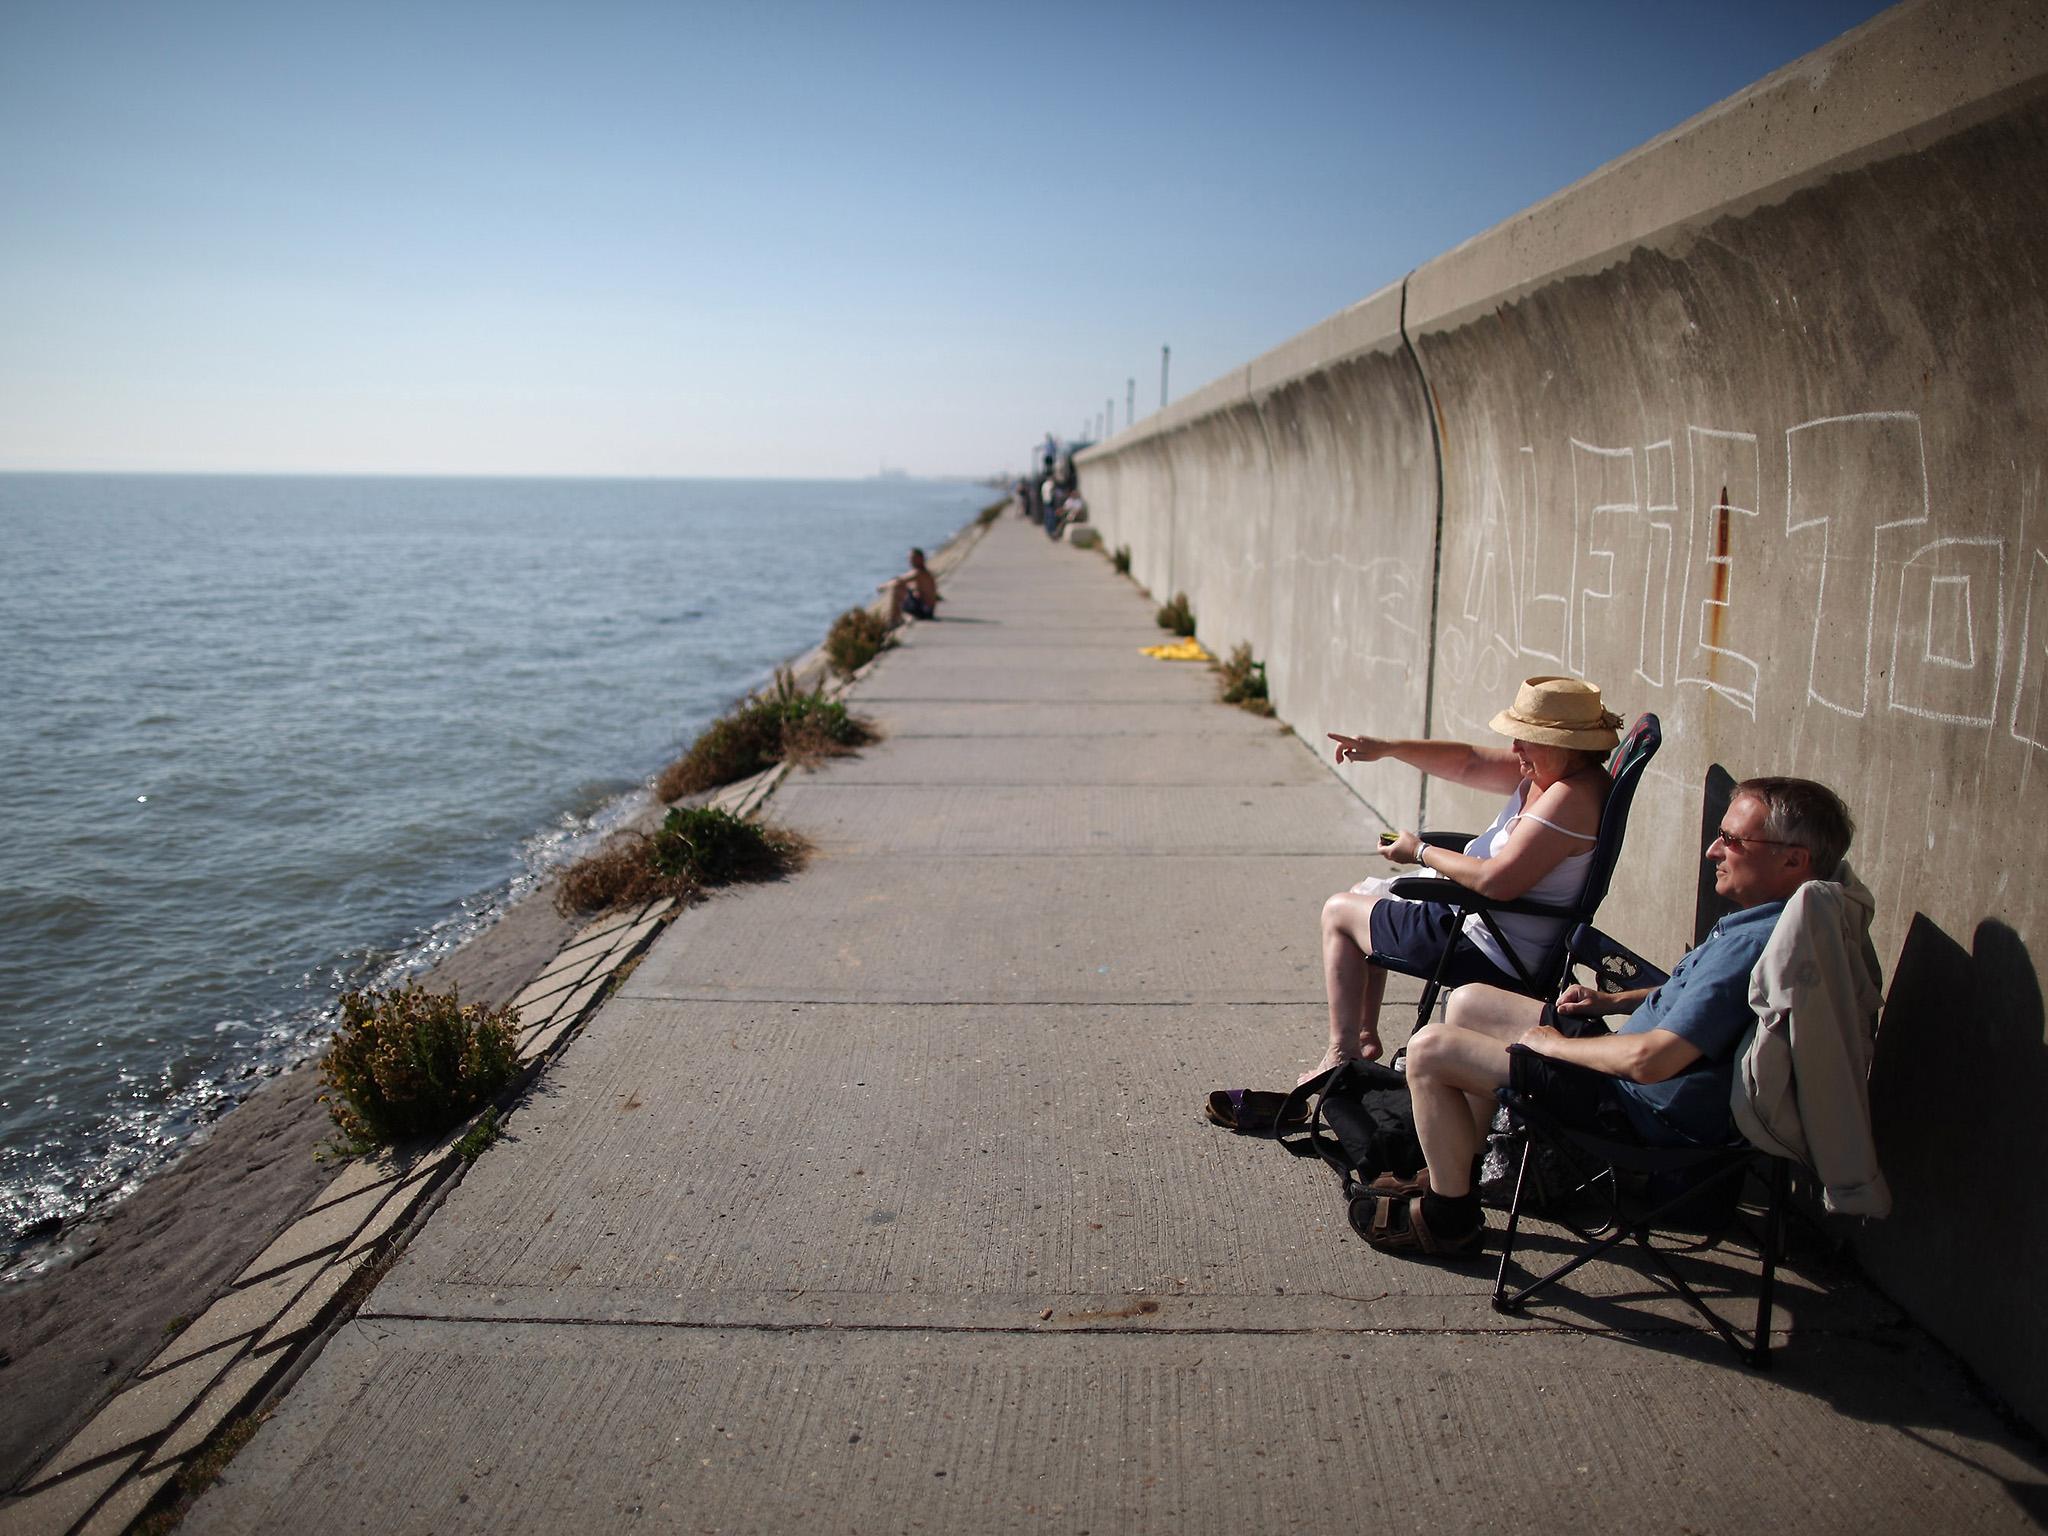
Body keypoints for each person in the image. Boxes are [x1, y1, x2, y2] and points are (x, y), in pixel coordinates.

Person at [1361, 776, 1856, 1258]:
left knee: (1430, 1050)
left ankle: (1450, 1219)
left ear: (1794, 859)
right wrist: (1614, 1002)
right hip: (1631, 1080)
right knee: (1470, 1000)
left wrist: (1553, 1045)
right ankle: (1456, 1170)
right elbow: (1710, 1002)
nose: (1712, 851)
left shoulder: (1750, 943)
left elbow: (1650, 1060)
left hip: (1634, 1110)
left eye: (1731, 839)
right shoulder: (1782, 921)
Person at [1309, 676, 1621, 1085]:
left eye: (1525, 737)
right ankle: (1364, 1037)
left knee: (1338, 912)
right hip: (1473, 916)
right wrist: (1388, 749)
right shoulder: (1558, 772)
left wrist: (1418, 851)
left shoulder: (1568, 797)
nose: (1515, 747)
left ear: (1561, 743)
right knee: (1361, 895)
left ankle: (1341, 1052)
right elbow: (1469, 761)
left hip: (1488, 943)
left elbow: (1497, 882)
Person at [881, 548, 939, 624]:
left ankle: (893, 621)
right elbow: (906, 582)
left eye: (913, 558)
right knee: (903, 588)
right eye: (910, 558)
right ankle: (897, 619)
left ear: (921, 559)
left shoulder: (919, 572)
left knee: (897, 589)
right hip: (924, 608)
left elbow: (899, 581)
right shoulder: (922, 572)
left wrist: (882, 586)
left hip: (925, 611)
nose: (910, 561)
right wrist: (915, 590)